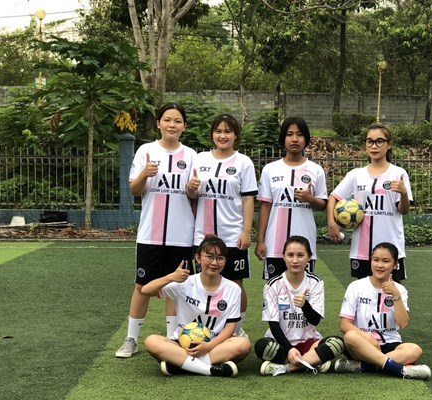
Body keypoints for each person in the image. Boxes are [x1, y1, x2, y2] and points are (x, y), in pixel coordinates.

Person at [116, 103, 197, 358]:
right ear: (158, 123)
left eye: (177, 121)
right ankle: (131, 339)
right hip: (150, 234)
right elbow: (134, 190)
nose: (172, 125)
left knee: (177, 286)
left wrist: (192, 188)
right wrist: (144, 174)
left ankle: (173, 338)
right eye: (167, 120)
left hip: (181, 236)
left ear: (184, 126)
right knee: (141, 285)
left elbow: (193, 195)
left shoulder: (192, 155)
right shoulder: (146, 151)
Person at [186, 114, 257, 336]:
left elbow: (248, 199)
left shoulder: (243, 162)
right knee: (203, 283)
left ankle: (237, 330)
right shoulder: (200, 159)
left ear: (236, 135)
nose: (222, 136)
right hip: (203, 236)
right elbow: (192, 195)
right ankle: (204, 328)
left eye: (227, 131)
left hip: (232, 235)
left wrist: (246, 231)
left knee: (236, 284)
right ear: (212, 135)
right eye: (218, 131)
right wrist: (191, 188)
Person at [142, 235, 251, 377]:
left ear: (225, 260)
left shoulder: (233, 289)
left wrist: (209, 346)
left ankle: (180, 364)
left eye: (220, 258)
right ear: (198, 258)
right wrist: (170, 277)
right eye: (209, 257)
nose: (214, 263)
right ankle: (209, 369)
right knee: (151, 342)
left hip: (215, 345)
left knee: (243, 344)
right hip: (181, 344)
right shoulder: (184, 283)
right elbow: (146, 290)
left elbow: (230, 327)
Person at [327, 123, 413, 282]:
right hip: (361, 250)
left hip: (391, 248)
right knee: (362, 293)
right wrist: (332, 224)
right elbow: (334, 197)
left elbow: (403, 210)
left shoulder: (398, 173)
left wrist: (404, 193)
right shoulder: (356, 175)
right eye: (369, 141)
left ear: (389, 144)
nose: (374, 146)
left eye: (379, 141)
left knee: (390, 293)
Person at [334, 242, 430, 379]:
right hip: (362, 343)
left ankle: (365, 366)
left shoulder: (400, 290)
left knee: (415, 350)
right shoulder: (356, 286)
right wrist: (367, 337)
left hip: (390, 343)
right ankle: (400, 370)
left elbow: (403, 323)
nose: (379, 265)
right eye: (376, 260)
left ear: (395, 265)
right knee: (350, 337)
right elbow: (344, 325)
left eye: (386, 261)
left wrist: (395, 295)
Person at [255, 236, 344, 376]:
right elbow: (273, 323)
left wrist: (304, 305)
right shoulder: (273, 284)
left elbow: (315, 320)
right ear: (283, 257)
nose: (295, 260)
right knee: (262, 346)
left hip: (308, 342)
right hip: (281, 344)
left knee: (337, 343)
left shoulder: (315, 282)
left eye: (300, 255)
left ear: (309, 257)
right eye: (290, 255)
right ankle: (313, 361)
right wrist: (289, 348)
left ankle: (286, 368)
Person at [255, 117, 327, 280]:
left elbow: (323, 204)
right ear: (283, 138)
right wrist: (260, 240)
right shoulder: (270, 169)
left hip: (304, 245)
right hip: (275, 244)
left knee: (303, 289)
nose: (295, 139)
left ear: (306, 139)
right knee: (273, 289)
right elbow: (265, 206)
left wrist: (310, 198)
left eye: (299, 134)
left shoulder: (316, 170)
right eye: (289, 134)